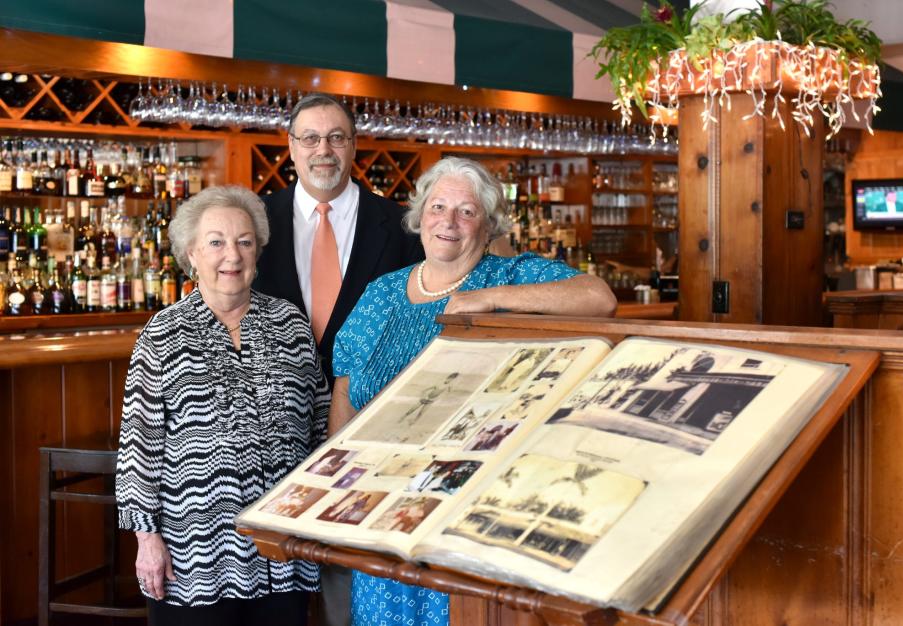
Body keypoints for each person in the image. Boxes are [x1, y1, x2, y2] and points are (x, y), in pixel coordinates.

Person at [331, 156, 617, 626]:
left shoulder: (508, 275)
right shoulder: (381, 292)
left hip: (466, 507)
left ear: (487, 226)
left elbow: (599, 298)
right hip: (381, 504)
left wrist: (489, 299)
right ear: (419, 216)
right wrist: (338, 486)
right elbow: (345, 388)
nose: (448, 221)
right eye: (438, 206)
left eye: (466, 212)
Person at [115, 185, 330, 626]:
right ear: (191, 253)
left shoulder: (290, 323)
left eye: (244, 242)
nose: (231, 255)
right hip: (195, 560)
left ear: (258, 251)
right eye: (216, 242)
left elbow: (320, 424)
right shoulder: (162, 335)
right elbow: (139, 450)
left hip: (281, 553)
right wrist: (146, 540)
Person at [253, 92, 424, 386]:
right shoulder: (252, 221)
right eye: (310, 138)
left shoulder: (404, 226)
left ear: (354, 146)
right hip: (275, 411)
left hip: (368, 404)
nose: (324, 150)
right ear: (292, 147)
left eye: (336, 137)